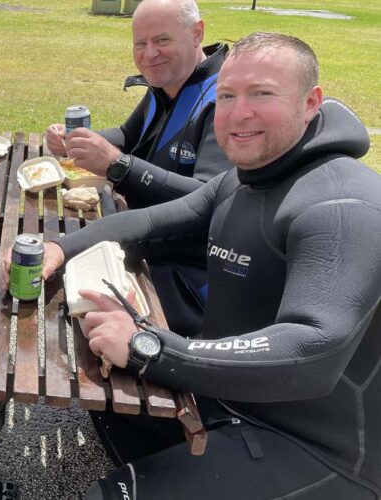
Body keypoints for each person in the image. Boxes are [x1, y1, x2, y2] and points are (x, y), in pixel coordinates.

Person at [47, 33, 381, 499]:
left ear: (310, 103)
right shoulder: (247, 179)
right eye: (226, 96)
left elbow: (313, 350)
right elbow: (150, 223)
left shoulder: (343, 206)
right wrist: (60, 249)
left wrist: (150, 347)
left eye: (262, 93)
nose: (238, 112)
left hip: (313, 449)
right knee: (102, 399)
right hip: (223, 397)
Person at [46, 0, 233, 336]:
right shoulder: (167, 86)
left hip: (185, 281)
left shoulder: (225, 100)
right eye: (140, 44)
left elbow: (209, 201)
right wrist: (78, 141)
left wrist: (120, 166)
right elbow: (128, 135)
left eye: (162, 41)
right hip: (137, 241)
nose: (149, 54)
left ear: (197, 34)